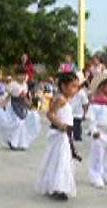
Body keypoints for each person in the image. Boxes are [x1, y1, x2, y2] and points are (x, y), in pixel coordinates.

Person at [36, 72, 82, 201]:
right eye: (73, 86)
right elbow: (50, 114)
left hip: (65, 134)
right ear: (63, 86)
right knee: (60, 160)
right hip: (60, 134)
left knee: (62, 160)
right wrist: (61, 125)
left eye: (77, 86)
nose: (75, 90)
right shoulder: (60, 99)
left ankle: (58, 185)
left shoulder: (66, 99)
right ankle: (58, 187)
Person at [0, 68, 41, 151]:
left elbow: (25, 97)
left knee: (23, 124)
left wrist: (29, 104)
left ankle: (21, 143)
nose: (23, 77)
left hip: (22, 106)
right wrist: (3, 104)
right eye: (21, 75)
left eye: (25, 75)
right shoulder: (13, 84)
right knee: (16, 124)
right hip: (13, 105)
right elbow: (8, 95)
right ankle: (13, 142)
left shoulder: (25, 85)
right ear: (16, 76)